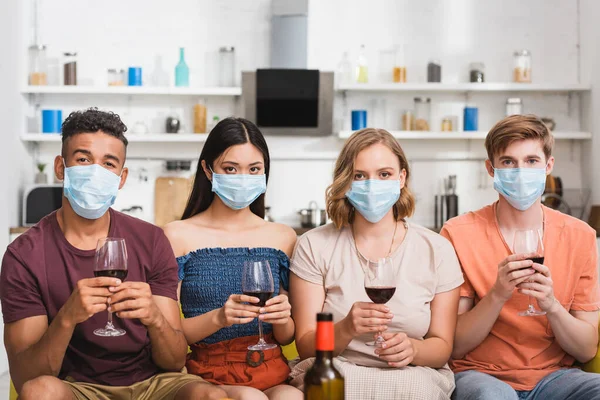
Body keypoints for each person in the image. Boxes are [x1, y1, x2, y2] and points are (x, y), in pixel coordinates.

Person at [0, 108, 226, 400]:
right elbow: (25, 378)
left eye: (109, 163)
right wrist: (68, 317)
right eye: (83, 159)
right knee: (39, 392)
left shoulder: (151, 240)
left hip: (152, 384)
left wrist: (154, 318)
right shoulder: (24, 254)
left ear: (121, 177)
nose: (96, 172)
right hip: (77, 388)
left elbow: (173, 362)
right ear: (60, 167)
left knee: (210, 396)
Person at [288, 128, 464, 400]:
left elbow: (442, 345)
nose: (373, 185)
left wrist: (414, 350)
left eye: (384, 174)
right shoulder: (314, 244)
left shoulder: (436, 249)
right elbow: (307, 346)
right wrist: (346, 328)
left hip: (411, 373)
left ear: (402, 177)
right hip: (336, 367)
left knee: (417, 390)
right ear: (346, 183)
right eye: (360, 176)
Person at [441, 114, 600, 400]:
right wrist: (498, 294)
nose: (520, 171)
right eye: (508, 162)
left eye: (531, 161)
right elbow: (454, 345)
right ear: (491, 169)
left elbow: (587, 349)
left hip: (555, 377)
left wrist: (551, 305)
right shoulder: (457, 234)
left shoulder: (580, 236)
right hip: (480, 375)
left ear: (548, 166)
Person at [164, 117, 302, 400]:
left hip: (270, 367)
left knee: (292, 397)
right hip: (209, 372)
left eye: (254, 169)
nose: (243, 178)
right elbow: (170, 337)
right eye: (231, 168)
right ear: (208, 169)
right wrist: (219, 318)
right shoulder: (177, 235)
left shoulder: (283, 237)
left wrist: (283, 317)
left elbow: (287, 337)